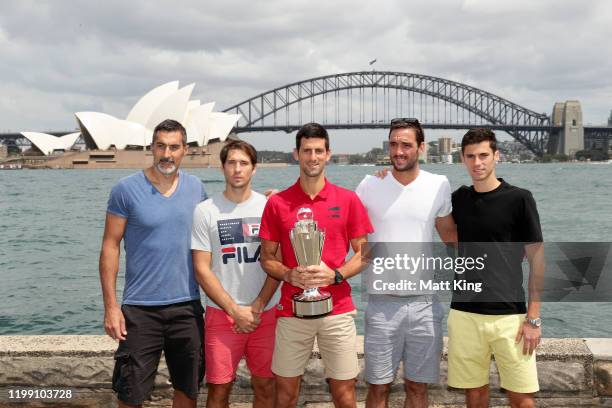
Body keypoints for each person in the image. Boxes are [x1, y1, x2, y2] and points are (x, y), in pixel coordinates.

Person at [258, 122, 373, 408]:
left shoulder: (348, 200)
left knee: (345, 394)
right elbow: (266, 258)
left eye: (318, 151)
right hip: (291, 311)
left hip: (338, 310)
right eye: (306, 151)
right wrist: (288, 273)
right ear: (296, 154)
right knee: (284, 395)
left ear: (328, 154)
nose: (312, 157)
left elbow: (365, 253)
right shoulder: (277, 203)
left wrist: (336, 274)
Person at [100, 119, 207, 408]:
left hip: (187, 306)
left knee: (189, 390)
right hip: (139, 310)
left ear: (185, 150)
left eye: (174, 147)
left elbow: (219, 225)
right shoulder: (125, 189)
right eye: (161, 146)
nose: (167, 154)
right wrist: (111, 307)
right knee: (130, 393)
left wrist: (268, 202)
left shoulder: (197, 188)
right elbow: (110, 246)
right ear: (152, 148)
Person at [356, 118, 457, 408]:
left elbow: (451, 236)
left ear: (421, 148)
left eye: (406, 145)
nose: (398, 151)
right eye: (393, 144)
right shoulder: (370, 184)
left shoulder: (439, 184)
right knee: (378, 388)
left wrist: (509, 245)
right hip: (381, 305)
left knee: (417, 388)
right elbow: (338, 217)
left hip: (425, 304)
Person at [447, 128, 544, 408]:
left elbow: (538, 259)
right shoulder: (458, 199)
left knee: (521, 397)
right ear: (463, 159)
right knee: (474, 394)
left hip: (510, 316)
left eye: (484, 155)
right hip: (464, 313)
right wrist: (386, 176)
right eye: (470, 156)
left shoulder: (520, 199)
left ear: (496, 156)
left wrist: (533, 319)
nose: (477, 162)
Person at [191, 140, 281, 408]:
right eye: (232, 163)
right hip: (222, 314)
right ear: (222, 168)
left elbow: (278, 262)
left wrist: (258, 305)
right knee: (219, 389)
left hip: (265, 313)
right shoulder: (205, 210)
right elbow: (201, 268)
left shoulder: (270, 207)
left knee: (266, 386)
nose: (237, 169)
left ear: (254, 169)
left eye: (244, 163)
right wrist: (234, 310)